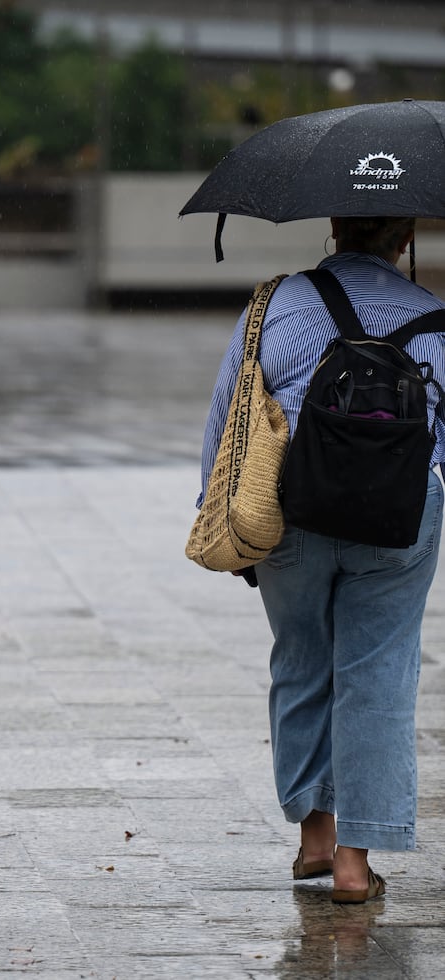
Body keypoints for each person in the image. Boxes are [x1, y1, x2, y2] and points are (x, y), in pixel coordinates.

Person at [197, 216, 445, 904]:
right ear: (406, 236)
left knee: (301, 659)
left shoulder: (276, 301)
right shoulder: (435, 316)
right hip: (398, 517)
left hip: (290, 510)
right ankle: (355, 865)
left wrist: (217, 511)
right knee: (380, 674)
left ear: (334, 226)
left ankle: (314, 837)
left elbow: (230, 409)